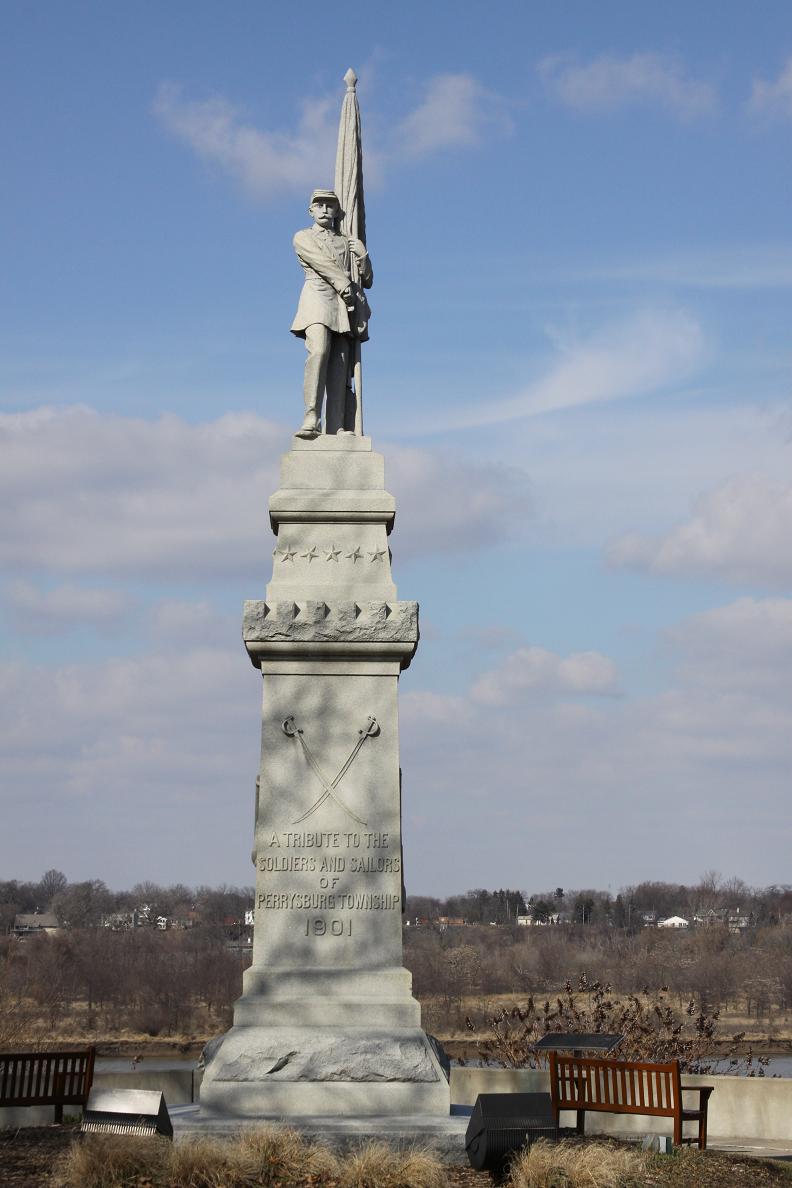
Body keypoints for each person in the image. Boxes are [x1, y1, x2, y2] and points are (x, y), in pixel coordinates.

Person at [290, 190, 372, 438]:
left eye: (330, 205)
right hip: (317, 297)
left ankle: (336, 424)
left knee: (340, 365)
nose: (325, 209)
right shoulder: (303, 237)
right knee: (319, 352)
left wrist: (362, 256)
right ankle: (311, 416)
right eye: (320, 205)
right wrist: (344, 284)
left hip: (342, 307)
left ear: (337, 211)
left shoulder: (345, 241)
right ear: (311, 211)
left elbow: (366, 281)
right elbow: (320, 263)